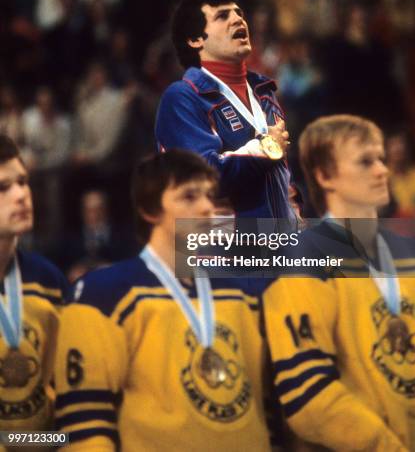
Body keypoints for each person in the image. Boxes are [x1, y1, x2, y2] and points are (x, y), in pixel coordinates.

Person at [55, 149, 272, 451]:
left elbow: (268, 403)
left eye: (210, 195)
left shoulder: (243, 292)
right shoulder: (103, 294)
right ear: (149, 209)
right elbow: (86, 422)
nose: (208, 207)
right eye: (189, 197)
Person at [263, 115, 415, 451]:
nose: (382, 170)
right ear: (324, 176)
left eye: (381, 158)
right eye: (366, 161)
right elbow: (307, 394)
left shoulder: (414, 253)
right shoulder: (304, 259)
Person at [156, 0, 294, 221]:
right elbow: (203, 178)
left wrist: (296, 216)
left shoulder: (264, 91)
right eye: (223, 15)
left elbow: (281, 177)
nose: (238, 20)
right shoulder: (182, 97)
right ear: (195, 39)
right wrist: (265, 148)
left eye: (239, 13)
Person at [0, 134, 68, 436]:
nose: (21, 195)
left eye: (23, 182)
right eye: (3, 187)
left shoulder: (48, 280)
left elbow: (68, 384)